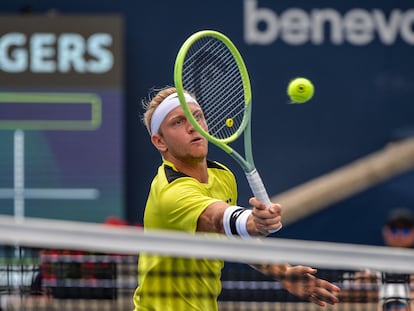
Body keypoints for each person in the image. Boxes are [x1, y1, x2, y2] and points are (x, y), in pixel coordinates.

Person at [132, 86, 340, 310]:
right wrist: (251, 221)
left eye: (197, 116)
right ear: (159, 142)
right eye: (178, 122)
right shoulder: (171, 192)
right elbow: (216, 219)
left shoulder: (222, 176)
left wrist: (284, 273)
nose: (193, 126)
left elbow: (236, 237)